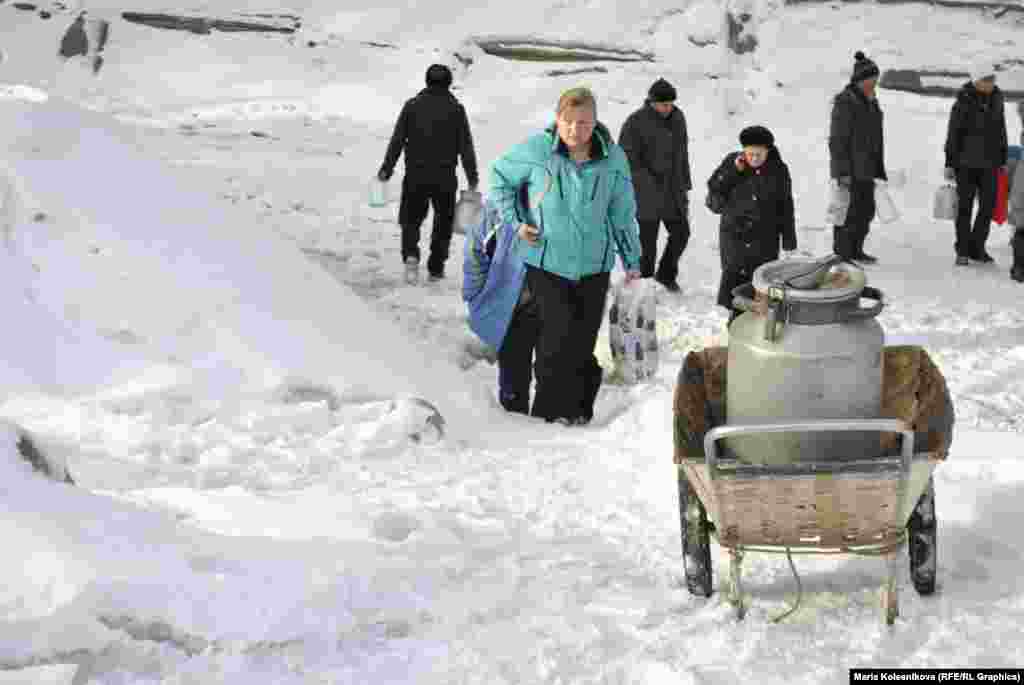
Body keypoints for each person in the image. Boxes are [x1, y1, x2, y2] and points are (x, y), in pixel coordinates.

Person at [489, 87, 642, 425]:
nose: (576, 130)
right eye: (569, 122)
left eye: (584, 123)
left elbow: (622, 212)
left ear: (595, 122)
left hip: (594, 268)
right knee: (554, 345)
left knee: (581, 345)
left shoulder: (613, 158)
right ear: (557, 120)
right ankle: (547, 420)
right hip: (546, 262)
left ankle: (575, 411)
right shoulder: (537, 151)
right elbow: (498, 180)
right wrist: (517, 223)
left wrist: (632, 261)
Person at [378, 64, 479, 282]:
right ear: (449, 83)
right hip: (444, 177)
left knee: (410, 219)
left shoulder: (412, 106)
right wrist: (472, 177)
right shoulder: (456, 110)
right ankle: (436, 266)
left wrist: (387, 168)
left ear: (426, 81)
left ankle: (411, 256)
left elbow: (397, 140)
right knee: (443, 222)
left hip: (416, 175)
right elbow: (466, 146)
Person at [707, 125, 797, 324]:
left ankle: (757, 326)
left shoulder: (778, 170)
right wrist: (733, 171)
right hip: (735, 237)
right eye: (750, 154)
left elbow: (786, 205)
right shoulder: (732, 163)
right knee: (735, 286)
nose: (754, 158)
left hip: (764, 238)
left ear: (768, 151)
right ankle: (734, 325)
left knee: (761, 283)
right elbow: (714, 190)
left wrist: (789, 240)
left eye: (759, 154)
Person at [462, 196, 539, 414]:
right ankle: (517, 420)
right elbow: (475, 250)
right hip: (514, 306)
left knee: (546, 369)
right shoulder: (499, 207)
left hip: (546, 300)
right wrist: (474, 292)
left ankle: (544, 424)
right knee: (517, 368)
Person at [618, 78, 692, 292]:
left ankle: (666, 275)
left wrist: (685, 183)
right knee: (647, 245)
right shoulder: (635, 122)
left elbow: (682, 154)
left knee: (681, 234)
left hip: (673, 192)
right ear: (651, 102)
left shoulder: (678, 118)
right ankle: (645, 285)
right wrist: (648, 182)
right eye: (663, 104)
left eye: (671, 103)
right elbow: (627, 159)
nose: (668, 108)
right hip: (646, 194)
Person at [944, 62, 1009, 266]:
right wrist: (950, 162)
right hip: (966, 164)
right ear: (976, 80)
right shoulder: (963, 101)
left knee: (987, 207)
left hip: (990, 164)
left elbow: (1001, 131)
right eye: (986, 80)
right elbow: (953, 134)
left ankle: (977, 247)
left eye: (992, 79)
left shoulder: (997, 99)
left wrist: (1003, 159)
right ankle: (963, 250)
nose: (990, 83)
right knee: (965, 208)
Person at [829, 51, 887, 264]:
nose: (874, 84)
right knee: (847, 212)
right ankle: (842, 254)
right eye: (871, 80)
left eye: (875, 80)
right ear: (860, 80)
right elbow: (837, 140)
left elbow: (876, 138)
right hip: (850, 169)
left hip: (867, 168)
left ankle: (856, 249)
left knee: (865, 212)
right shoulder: (845, 102)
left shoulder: (871, 102)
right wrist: (842, 172)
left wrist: (878, 167)